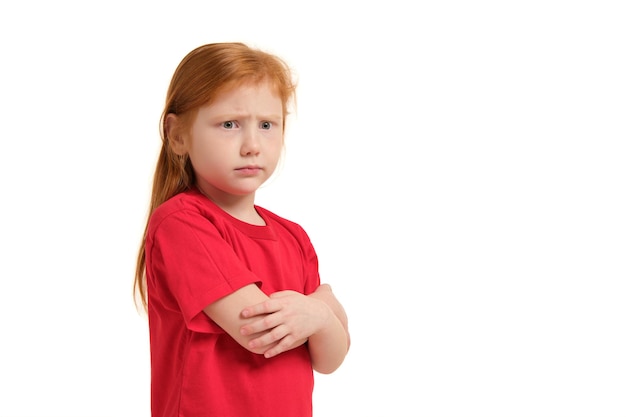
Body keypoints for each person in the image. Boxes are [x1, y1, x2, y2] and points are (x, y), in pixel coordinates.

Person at [133, 42, 350, 417]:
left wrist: (318, 317)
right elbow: (259, 330)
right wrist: (324, 307)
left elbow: (331, 357)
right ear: (178, 135)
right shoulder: (181, 223)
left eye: (267, 125)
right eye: (229, 124)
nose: (252, 145)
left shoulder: (294, 236)